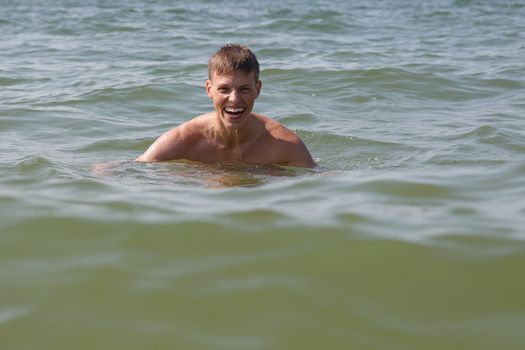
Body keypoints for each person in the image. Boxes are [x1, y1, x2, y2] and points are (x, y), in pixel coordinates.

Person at [135, 44, 316, 168]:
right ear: (209, 89)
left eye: (244, 89)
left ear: (257, 89)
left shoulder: (284, 145)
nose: (234, 99)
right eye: (224, 89)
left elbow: (318, 179)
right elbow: (135, 168)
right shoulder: (184, 139)